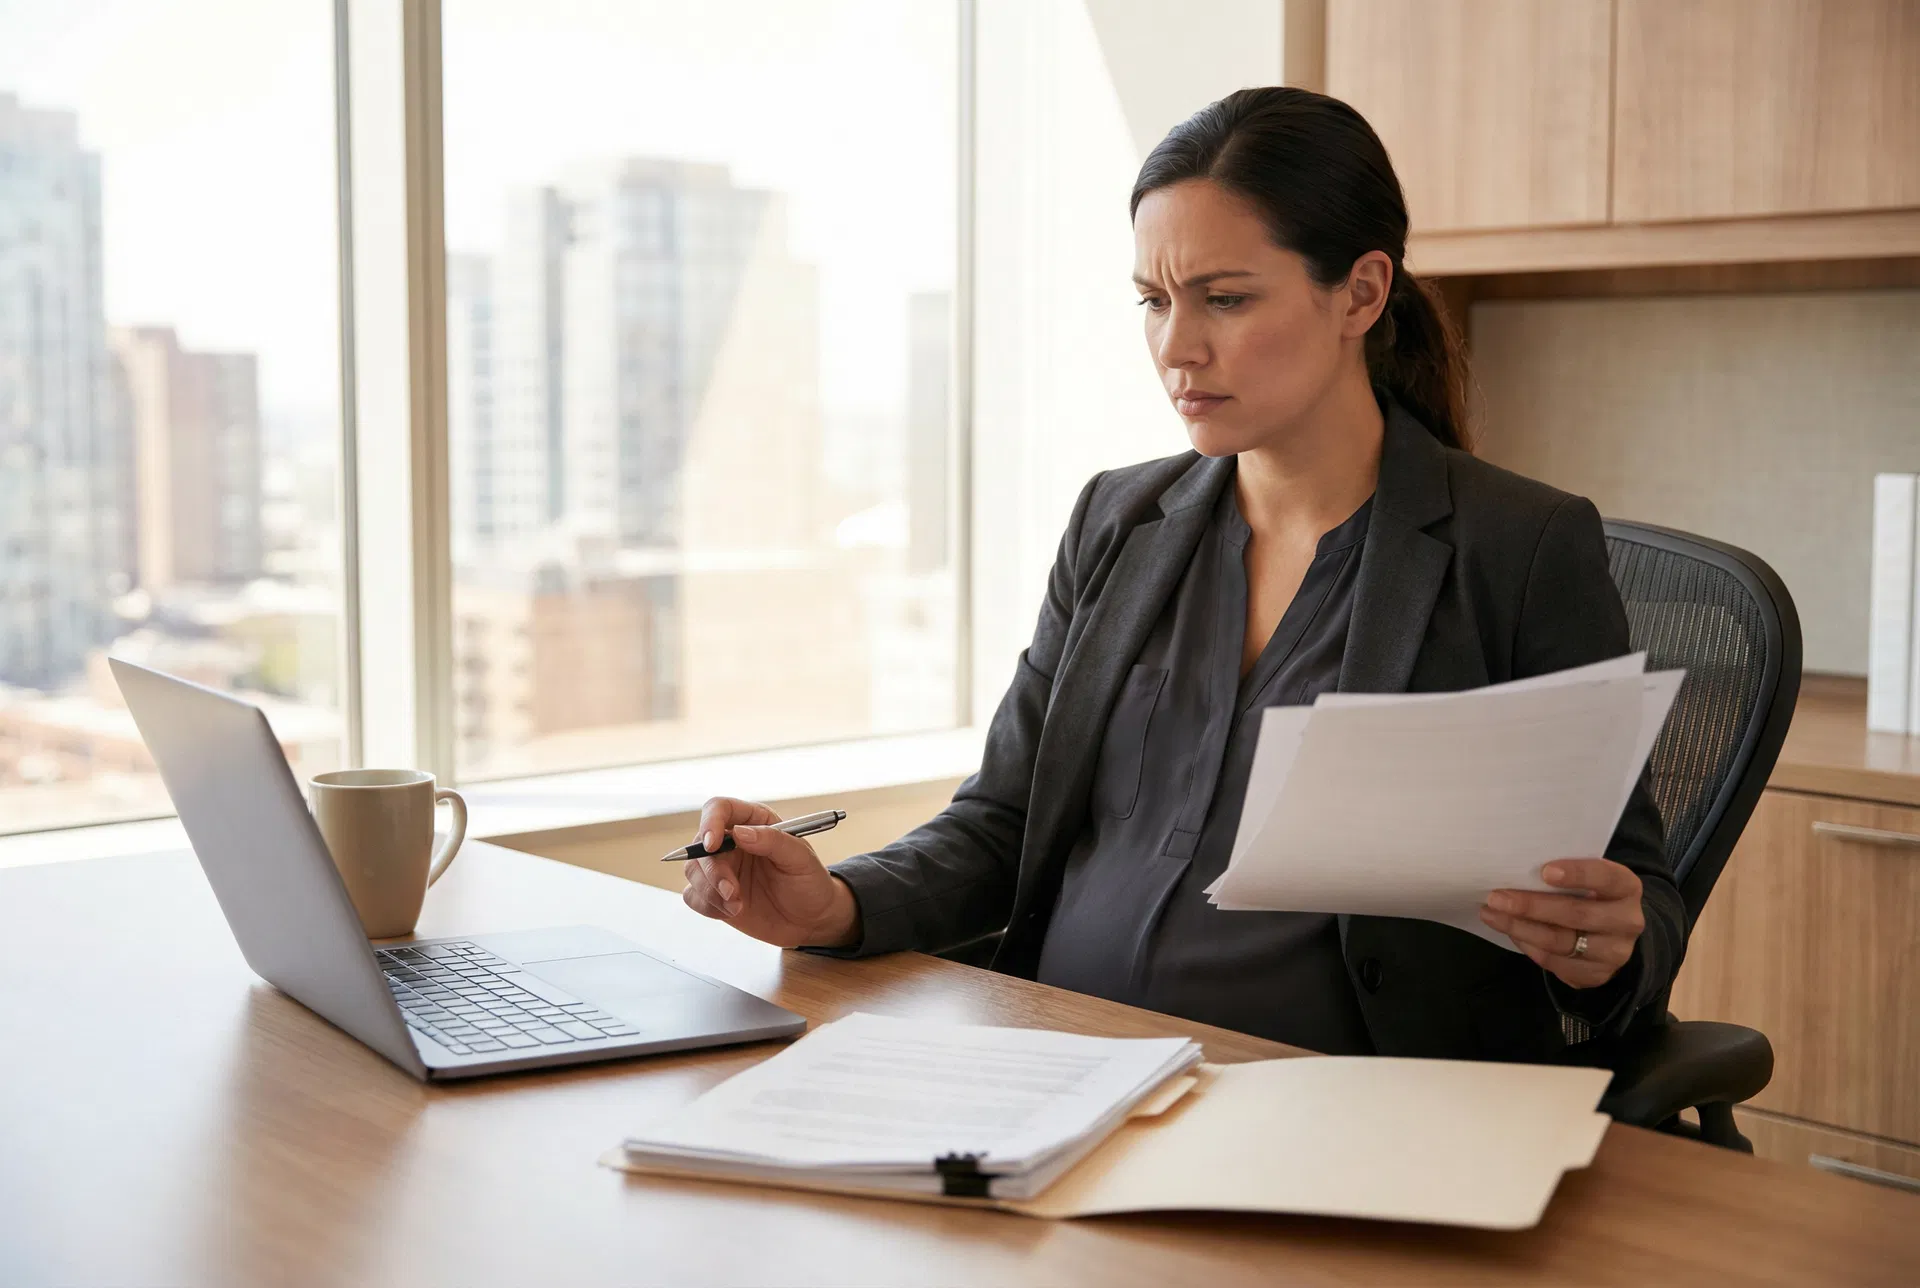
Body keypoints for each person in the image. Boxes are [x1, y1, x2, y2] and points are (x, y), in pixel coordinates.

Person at [681, 87, 1682, 1062]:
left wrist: (1602, 944)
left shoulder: (1520, 544)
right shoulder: (1117, 521)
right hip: (1056, 1069)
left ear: (1363, 294)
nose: (1176, 347)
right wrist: (836, 901)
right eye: (1154, 301)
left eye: (1226, 299)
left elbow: (1634, 890)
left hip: (1340, 1106)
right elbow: (1004, 822)